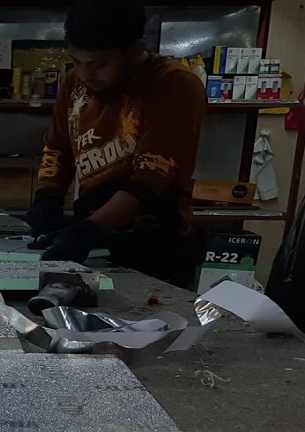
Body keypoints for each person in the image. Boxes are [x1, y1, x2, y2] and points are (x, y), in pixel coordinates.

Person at [25, 0, 207, 287]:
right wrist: (48, 195)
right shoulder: (74, 83)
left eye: (99, 64)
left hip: (155, 246)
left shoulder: (173, 84)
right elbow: (58, 147)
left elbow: (152, 175)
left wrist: (90, 230)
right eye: (77, 62)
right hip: (94, 239)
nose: (86, 75)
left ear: (134, 51)